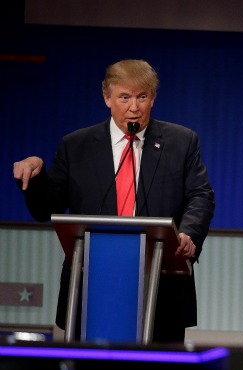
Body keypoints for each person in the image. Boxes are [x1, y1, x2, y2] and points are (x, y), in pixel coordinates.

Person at [13, 59, 215, 343]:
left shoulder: (181, 142)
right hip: (91, 285)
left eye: (142, 97)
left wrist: (189, 233)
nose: (134, 107)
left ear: (152, 99)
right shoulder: (76, 146)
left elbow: (200, 194)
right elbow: (47, 207)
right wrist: (35, 178)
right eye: (124, 97)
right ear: (107, 98)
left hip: (161, 284)